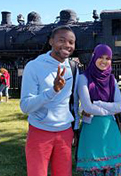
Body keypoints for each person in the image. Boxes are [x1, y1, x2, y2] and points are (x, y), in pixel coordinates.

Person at [20, 26, 79, 176]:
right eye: (62, 40)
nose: (67, 45)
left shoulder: (72, 67)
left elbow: (74, 101)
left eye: (71, 42)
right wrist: (53, 91)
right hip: (39, 132)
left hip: (65, 132)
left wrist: (75, 128)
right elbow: (25, 106)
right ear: (51, 41)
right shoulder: (34, 66)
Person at [76, 44, 121, 175]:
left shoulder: (112, 79)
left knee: (114, 168)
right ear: (94, 57)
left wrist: (98, 103)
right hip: (92, 131)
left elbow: (120, 106)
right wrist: (110, 109)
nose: (104, 61)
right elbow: (87, 106)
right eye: (101, 57)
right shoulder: (84, 78)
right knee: (95, 168)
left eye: (108, 58)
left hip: (110, 131)